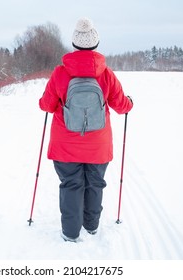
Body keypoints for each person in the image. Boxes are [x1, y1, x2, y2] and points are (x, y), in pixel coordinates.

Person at [39, 18, 133, 242]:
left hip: (65, 146)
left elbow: (47, 105)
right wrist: (130, 102)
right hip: (98, 145)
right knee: (95, 183)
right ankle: (91, 227)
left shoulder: (60, 73)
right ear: (95, 44)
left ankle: (70, 233)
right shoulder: (106, 74)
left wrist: (43, 101)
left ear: (74, 44)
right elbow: (121, 105)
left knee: (71, 184)